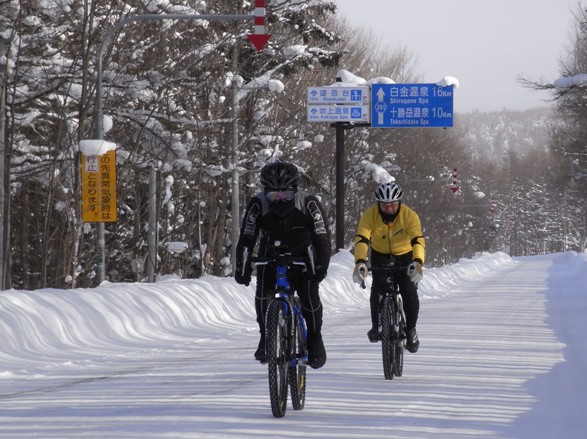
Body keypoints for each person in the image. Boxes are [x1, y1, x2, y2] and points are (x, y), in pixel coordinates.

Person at [234, 161, 331, 369]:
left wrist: (321, 266)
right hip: (271, 251)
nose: (280, 200)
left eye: (286, 195)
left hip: (303, 252)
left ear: (295, 191)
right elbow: (247, 237)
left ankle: (315, 339)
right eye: (274, 196)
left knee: (309, 294)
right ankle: (265, 336)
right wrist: (242, 266)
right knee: (262, 292)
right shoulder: (258, 204)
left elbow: (322, 238)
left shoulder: (309, 203)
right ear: (265, 192)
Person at [352, 181, 425, 353]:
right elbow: (362, 238)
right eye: (385, 205)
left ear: (399, 202)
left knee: (408, 290)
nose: (389, 208)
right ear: (378, 204)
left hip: (405, 255)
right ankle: (376, 326)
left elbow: (418, 240)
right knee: (378, 287)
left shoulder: (409, 216)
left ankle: (411, 330)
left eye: (393, 204)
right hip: (380, 254)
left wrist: (418, 262)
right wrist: (360, 261)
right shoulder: (370, 215)